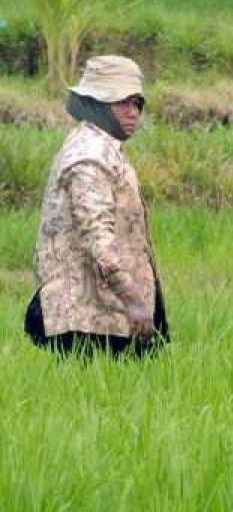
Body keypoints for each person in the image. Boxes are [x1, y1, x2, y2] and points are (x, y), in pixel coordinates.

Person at [24, 55, 169, 357]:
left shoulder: (102, 148)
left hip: (103, 311)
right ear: (98, 104)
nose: (133, 113)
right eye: (123, 103)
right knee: (98, 399)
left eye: (137, 103)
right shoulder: (89, 158)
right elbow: (97, 237)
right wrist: (133, 299)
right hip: (89, 318)